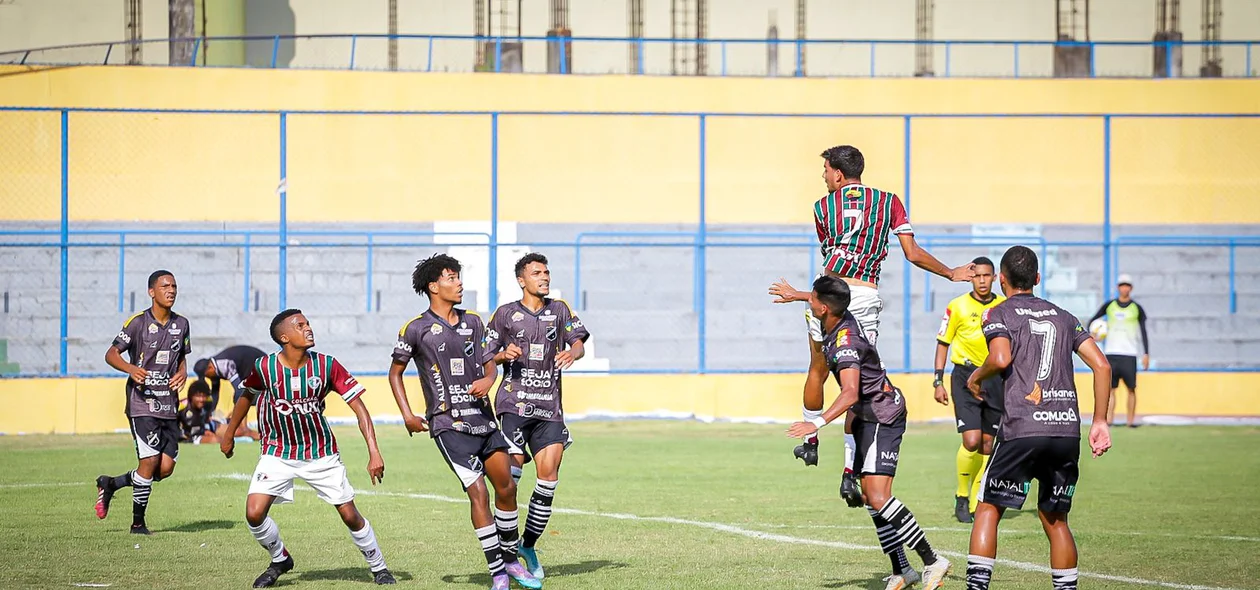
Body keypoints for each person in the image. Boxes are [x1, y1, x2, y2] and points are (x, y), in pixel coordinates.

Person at [769, 144, 975, 509]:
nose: (823, 177)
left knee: (818, 366)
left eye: (825, 170)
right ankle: (850, 470)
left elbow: (830, 248)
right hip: (864, 295)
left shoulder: (821, 207)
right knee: (860, 383)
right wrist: (950, 272)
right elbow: (911, 253)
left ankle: (810, 439)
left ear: (836, 172)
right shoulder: (889, 202)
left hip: (826, 290)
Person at [388, 254, 542, 590]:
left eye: (458, 277)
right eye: (451, 277)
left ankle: (512, 561)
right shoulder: (415, 329)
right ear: (434, 286)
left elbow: (489, 361)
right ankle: (498, 573)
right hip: (448, 425)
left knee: (507, 486)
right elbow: (395, 373)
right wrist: (408, 415)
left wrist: (490, 379)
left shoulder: (473, 321)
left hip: (484, 421)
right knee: (478, 495)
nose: (459, 283)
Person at [787, 276, 952, 590]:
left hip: (882, 415)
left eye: (812, 301)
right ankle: (902, 569)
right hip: (867, 416)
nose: (810, 304)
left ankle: (932, 561)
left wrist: (817, 423)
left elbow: (850, 394)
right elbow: (827, 297)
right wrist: (796, 295)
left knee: (878, 496)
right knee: (869, 498)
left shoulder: (845, 342)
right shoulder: (839, 316)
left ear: (823, 309)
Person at [964, 246, 1113, 590]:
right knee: (1056, 519)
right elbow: (1102, 366)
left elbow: (1000, 358)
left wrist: (975, 377)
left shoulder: (998, 313)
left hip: (1022, 427)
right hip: (1065, 430)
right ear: (1037, 279)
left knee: (989, 508)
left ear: (1001, 279)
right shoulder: (1064, 316)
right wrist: (1100, 421)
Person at [220, 309, 395, 587]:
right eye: (300, 325)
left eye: (308, 323)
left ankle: (380, 567)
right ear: (284, 337)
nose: (308, 328)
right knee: (254, 513)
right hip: (277, 451)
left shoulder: (327, 365)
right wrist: (229, 434)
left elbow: (360, 410)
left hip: (319, 452)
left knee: (349, 514)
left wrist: (374, 451)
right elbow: (246, 396)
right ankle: (280, 558)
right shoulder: (264, 367)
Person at [484, 253, 591, 580]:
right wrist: (504, 354)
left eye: (546, 272)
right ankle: (506, 551)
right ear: (522, 280)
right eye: (537, 273)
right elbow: (486, 354)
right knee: (510, 480)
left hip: (549, 407)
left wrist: (572, 352)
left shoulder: (560, 309)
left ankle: (527, 546)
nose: (544, 277)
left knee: (548, 480)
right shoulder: (505, 314)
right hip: (513, 406)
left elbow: (579, 344)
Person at [94, 270, 191, 535]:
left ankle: (111, 483)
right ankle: (138, 524)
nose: (171, 290)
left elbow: (181, 355)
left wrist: (183, 372)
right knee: (148, 462)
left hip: (169, 405)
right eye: (165, 286)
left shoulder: (182, 324)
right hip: (142, 403)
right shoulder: (137, 323)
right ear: (152, 292)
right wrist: (130, 369)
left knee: (165, 469)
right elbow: (111, 354)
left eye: (174, 285)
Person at [932, 256, 1006, 523]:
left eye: (987, 276)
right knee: (971, 440)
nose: (982, 280)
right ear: (970, 277)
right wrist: (938, 380)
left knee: (988, 443)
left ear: (995, 278)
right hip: (964, 375)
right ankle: (962, 495)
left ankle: (977, 500)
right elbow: (943, 342)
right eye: (977, 276)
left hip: (995, 377)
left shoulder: (1003, 306)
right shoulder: (957, 306)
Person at [1088, 274, 1150, 428]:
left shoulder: (1137, 308)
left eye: (1127, 285)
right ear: (1118, 287)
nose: (1124, 288)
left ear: (1131, 288)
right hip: (1111, 353)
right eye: (1122, 285)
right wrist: (1094, 335)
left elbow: (1143, 331)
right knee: (1111, 389)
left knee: (1131, 389)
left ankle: (1130, 422)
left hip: (1129, 353)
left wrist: (1146, 353)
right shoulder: (1109, 306)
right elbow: (1092, 321)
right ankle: (1109, 420)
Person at [179, 380, 258, 445]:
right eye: (198, 396)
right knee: (216, 440)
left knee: (241, 431)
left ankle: (266, 439)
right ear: (191, 396)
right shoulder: (182, 407)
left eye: (204, 396)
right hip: (192, 435)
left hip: (207, 426)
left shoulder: (208, 401)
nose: (201, 399)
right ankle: (236, 441)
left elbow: (206, 417)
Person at [193, 344, 266, 410]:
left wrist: (235, 414)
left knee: (245, 398)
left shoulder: (224, 365)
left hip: (262, 366)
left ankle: (242, 424)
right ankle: (242, 423)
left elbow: (239, 391)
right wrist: (210, 412)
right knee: (244, 398)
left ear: (210, 368)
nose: (208, 378)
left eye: (206, 376)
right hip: (248, 372)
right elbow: (215, 393)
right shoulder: (214, 368)